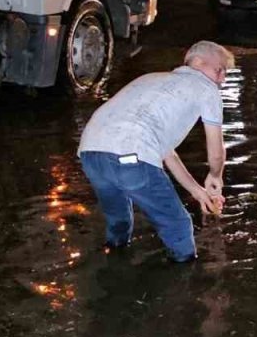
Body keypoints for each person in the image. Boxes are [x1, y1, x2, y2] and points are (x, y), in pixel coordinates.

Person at [78, 41, 232, 263]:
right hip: (131, 156)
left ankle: (113, 261)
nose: (222, 79)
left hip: (90, 152)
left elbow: (166, 152)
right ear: (197, 62)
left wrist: (198, 191)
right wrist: (216, 175)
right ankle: (183, 283)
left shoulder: (151, 79)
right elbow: (216, 151)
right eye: (219, 70)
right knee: (178, 225)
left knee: (118, 221)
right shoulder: (205, 88)